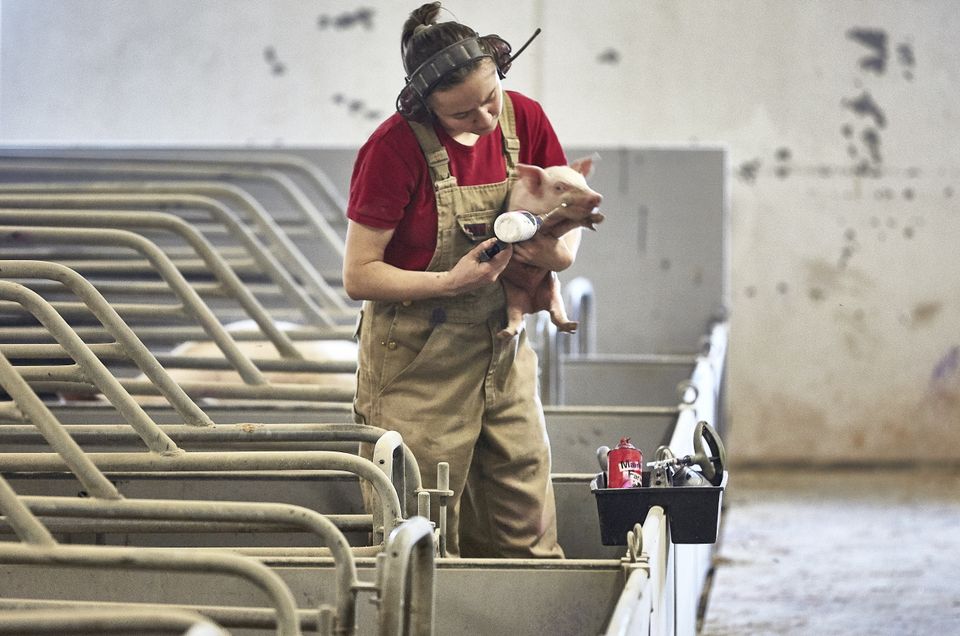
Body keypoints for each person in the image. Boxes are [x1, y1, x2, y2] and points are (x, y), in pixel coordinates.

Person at [343, 1, 582, 558]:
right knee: (419, 534)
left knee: (525, 521)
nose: (485, 120)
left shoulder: (526, 119)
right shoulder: (392, 148)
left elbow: (565, 208)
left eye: (491, 96)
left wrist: (556, 257)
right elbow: (359, 274)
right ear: (424, 106)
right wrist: (449, 283)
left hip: (505, 348)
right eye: (461, 115)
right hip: (417, 363)